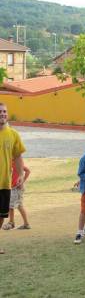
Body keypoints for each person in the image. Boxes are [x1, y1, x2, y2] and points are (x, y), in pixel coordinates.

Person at [0, 102, 26, 254]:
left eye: (4, 112)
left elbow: (17, 157)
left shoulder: (13, 134)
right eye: (0, 112)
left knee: (2, 215)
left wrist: (21, 174)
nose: (2, 114)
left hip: (4, 183)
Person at [2, 160, 31, 230]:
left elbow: (28, 171)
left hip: (16, 188)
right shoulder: (8, 163)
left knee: (11, 205)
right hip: (12, 187)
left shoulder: (16, 163)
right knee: (17, 205)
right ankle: (25, 224)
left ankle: (11, 223)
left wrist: (22, 181)